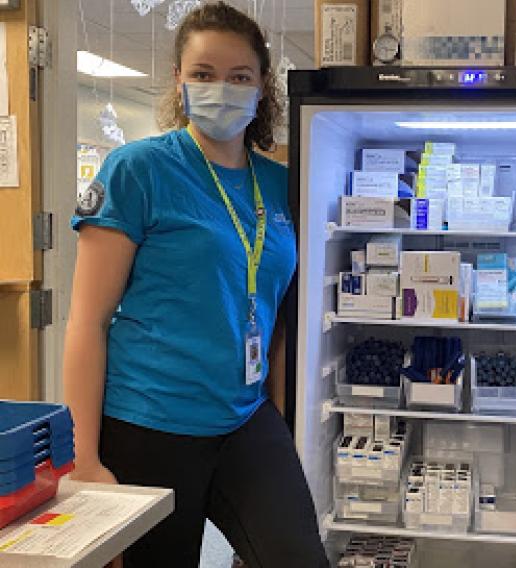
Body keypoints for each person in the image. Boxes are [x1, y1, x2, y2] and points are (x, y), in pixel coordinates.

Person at [62, 3, 328, 567]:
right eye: (204, 74)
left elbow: (280, 313)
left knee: (298, 557)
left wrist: (283, 411)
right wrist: (84, 459)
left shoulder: (281, 184)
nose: (221, 89)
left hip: (245, 416)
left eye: (240, 76)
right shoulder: (138, 170)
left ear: (262, 88)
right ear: (179, 80)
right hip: (148, 421)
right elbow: (87, 321)